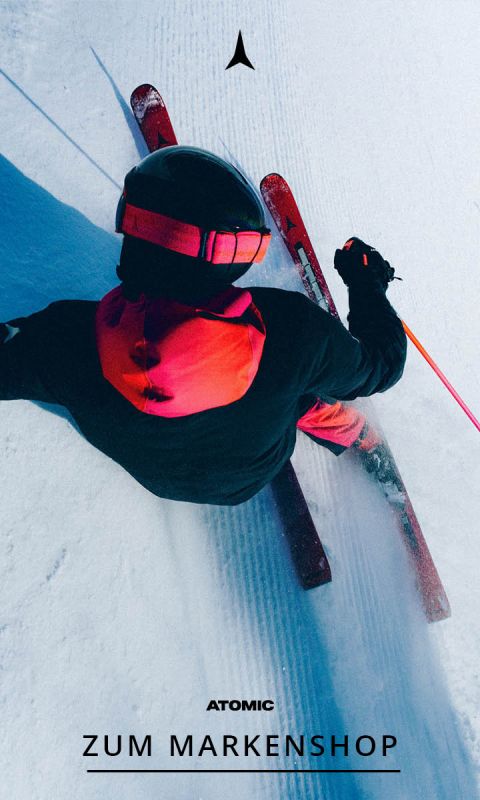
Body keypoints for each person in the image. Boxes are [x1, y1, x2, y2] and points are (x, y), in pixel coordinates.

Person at [0, 146, 406, 505]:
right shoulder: (291, 332)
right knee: (295, 390)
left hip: (158, 477)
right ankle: (348, 431)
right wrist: (367, 284)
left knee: (284, 382)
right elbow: (380, 367)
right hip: (251, 472)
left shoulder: (65, 340)